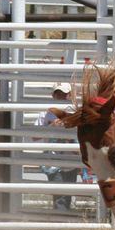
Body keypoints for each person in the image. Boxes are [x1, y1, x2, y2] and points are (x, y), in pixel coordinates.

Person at [36, 82, 79, 211]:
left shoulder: (75, 112)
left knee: (66, 195)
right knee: (60, 195)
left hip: (71, 160)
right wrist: (51, 127)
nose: (61, 97)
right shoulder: (46, 113)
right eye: (58, 94)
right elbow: (34, 136)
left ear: (69, 95)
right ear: (53, 95)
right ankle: (61, 223)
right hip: (54, 161)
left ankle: (61, 222)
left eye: (64, 94)